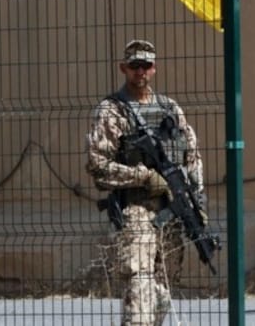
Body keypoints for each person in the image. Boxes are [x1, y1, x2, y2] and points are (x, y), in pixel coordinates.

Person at [87, 39, 204, 325]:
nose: (140, 71)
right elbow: (98, 165)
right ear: (123, 68)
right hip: (136, 211)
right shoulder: (112, 110)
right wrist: (145, 177)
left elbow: (191, 156)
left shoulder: (169, 108)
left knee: (161, 294)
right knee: (138, 292)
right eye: (134, 66)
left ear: (154, 69)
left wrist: (197, 202)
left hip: (173, 211)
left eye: (146, 66)